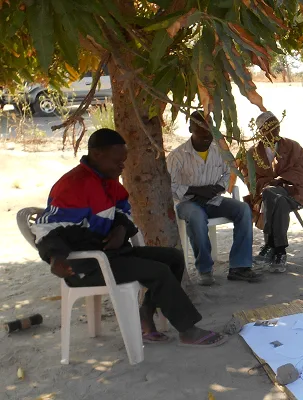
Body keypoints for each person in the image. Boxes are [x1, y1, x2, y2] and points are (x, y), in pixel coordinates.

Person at [32, 128, 227, 347]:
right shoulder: (73, 185)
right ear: (98, 154)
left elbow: (124, 213)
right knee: (158, 271)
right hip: (87, 265)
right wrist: (56, 257)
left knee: (172, 258)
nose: (122, 166)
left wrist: (122, 229)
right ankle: (188, 330)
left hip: (112, 254)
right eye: (118, 160)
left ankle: (146, 315)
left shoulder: (109, 182)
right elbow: (45, 227)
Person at [167, 111, 262, 285]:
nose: (205, 135)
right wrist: (195, 190)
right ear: (190, 129)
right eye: (200, 130)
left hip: (213, 200)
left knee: (242, 209)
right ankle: (205, 269)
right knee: (196, 216)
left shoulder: (219, 151)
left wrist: (217, 188)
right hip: (187, 203)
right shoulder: (177, 156)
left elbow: (228, 173)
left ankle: (240, 267)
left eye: (209, 131)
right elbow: (168, 185)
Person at [241, 111, 303, 272]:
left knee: (274, 195)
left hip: (293, 191)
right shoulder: (252, 153)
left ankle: (270, 245)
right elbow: (248, 178)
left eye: (276, 127)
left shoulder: (293, 146)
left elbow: (302, 170)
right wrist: (268, 184)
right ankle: (280, 251)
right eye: (269, 128)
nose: (274, 132)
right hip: (266, 195)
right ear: (260, 131)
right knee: (276, 198)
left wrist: (281, 180)